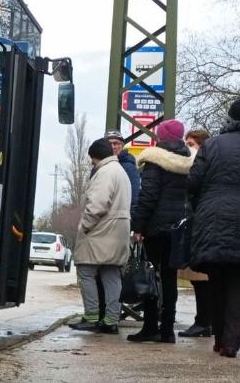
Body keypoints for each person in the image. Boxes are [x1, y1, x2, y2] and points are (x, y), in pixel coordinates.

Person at [188, 99, 240, 357]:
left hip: (213, 218)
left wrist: (202, 206)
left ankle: (220, 338)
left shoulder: (212, 145)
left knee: (217, 281)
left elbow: (193, 183)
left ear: (229, 117)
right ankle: (232, 342)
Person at [128, 119, 192, 344]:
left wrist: (138, 226)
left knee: (150, 276)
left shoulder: (156, 160)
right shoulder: (189, 160)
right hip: (179, 228)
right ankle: (167, 330)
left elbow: (149, 196)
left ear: (161, 137)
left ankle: (149, 326)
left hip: (156, 228)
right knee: (170, 279)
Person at [69, 138, 132, 334]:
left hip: (101, 231)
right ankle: (111, 319)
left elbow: (97, 204)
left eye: (92, 159)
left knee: (86, 272)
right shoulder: (121, 171)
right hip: (118, 231)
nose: (92, 163)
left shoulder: (104, 173)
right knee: (111, 274)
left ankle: (91, 316)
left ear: (96, 156)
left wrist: (84, 227)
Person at [96, 130, 141, 318]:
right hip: (103, 224)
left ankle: (109, 314)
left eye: (117, 143)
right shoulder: (99, 165)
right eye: (110, 143)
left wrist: (132, 224)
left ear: (122, 145)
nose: (113, 146)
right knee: (100, 270)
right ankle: (104, 312)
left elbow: (133, 196)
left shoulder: (128, 166)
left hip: (117, 224)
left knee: (111, 270)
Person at [178, 128, 213, 338]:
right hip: (199, 224)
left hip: (203, 226)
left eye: (190, 144)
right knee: (200, 279)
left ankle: (204, 321)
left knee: (202, 279)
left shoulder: (201, 166)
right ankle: (207, 320)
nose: (187, 148)